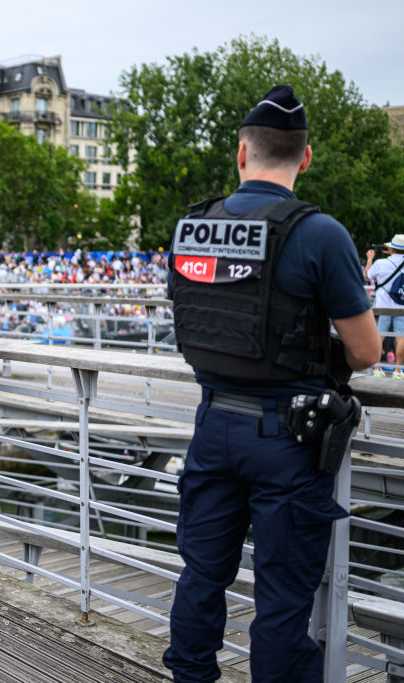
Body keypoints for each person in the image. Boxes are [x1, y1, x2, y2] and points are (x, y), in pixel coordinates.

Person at [163, 85, 381, 682]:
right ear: (305, 158)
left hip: (212, 426)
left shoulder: (192, 226)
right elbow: (366, 352)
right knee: (282, 600)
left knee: (201, 575)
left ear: (242, 153)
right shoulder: (320, 233)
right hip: (288, 439)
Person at [364, 234, 404, 378]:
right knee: (401, 338)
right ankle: (398, 371)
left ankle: (377, 368)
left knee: (379, 336)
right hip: (401, 307)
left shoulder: (381, 263)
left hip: (382, 306)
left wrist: (370, 259)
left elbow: (367, 276)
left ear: (392, 249)